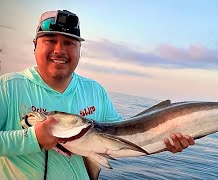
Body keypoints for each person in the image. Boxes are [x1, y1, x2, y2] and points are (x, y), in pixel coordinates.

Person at [0, 10, 195, 179]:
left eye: (69, 43)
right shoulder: (8, 87)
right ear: (35, 45)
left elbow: (123, 138)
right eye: (50, 40)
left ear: (79, 50)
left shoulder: (94, 90)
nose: (59, 50)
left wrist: (164, 143)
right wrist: (32, 139)